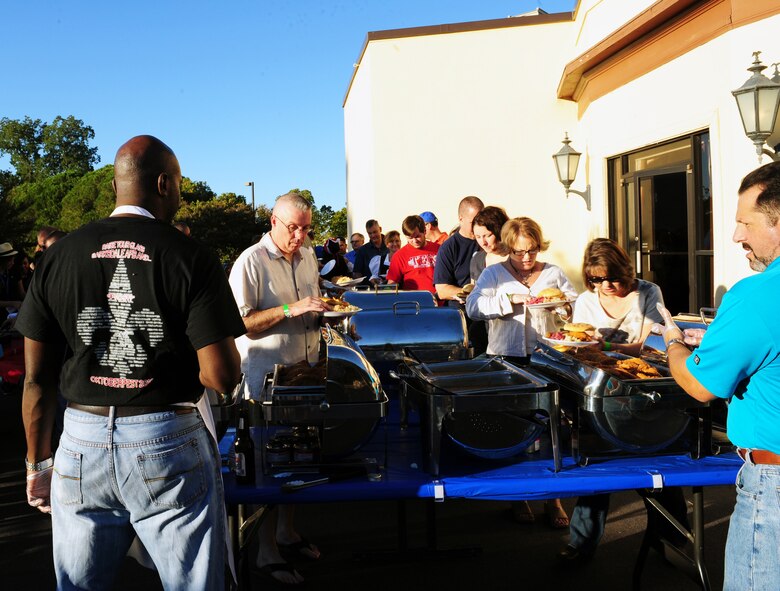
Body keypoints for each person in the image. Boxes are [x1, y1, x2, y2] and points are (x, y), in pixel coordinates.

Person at [16, 135, 244, 590]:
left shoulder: (58, 256)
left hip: (79, 440)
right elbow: (220, 376)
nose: (180, 194)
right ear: (163, 183)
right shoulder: (190, 256)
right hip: (165, 438)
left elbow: (36, 379)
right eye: (179, 184)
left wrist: (37, 465)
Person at [655, 161, 780, 591]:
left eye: (745, 222)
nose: (736, 236)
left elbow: (699, 385)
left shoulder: (757, 294)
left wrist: (673, 342)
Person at [559, 238, 687, 562]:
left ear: (625, 270)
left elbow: (649, 344)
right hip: (602, 388)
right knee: (599, 465)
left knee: (657, 461)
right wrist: (593, 347)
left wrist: (602, 347)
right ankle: (581, 543)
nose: (607, 285)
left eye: (613, 277)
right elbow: (580, 345)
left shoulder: (648, 292)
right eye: (598, 279)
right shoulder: (587, 300)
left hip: (644, 385)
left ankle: (671, 540)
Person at [229, 192, 329, 586]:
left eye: (306, 228)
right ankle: (265, 550)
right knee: (266, 465)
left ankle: (286, 531)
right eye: (293, 228)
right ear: (273, 220)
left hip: (305, 371)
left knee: (300, 457)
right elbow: (240, 323)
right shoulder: (250, 261)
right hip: (265, 379)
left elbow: (314, 302)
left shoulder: (307, 255)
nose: (300, 236)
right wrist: (292, 309)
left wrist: (324, 315)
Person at [466, 217, 575, 528]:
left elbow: (573, 307)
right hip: (506, 358)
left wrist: (562, 309)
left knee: (549, 426)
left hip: (545, 358)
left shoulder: (552, 272)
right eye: (519, 252)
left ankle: (553, 498)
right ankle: (518, 495)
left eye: (532, 251)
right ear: (508, 248)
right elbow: (473, 308)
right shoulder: (494, 274)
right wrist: (508, 299)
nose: (527, 259)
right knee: (513, 428)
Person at [468, 206, 510, 356]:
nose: (483, 242)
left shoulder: (516, 258)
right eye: (478, 237)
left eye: (487, 235)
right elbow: (473, 290)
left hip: (508, 334)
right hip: (482, 330)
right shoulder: (477, 259)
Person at [434, 196, 484, 307]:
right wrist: (470, 293)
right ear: (461, 218)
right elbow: (442, 290)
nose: (478, 226)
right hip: (463, 313)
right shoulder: (449, 248)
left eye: (481, 222)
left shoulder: (489, 242)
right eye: (473, 222)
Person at [386, 216, 439, 298]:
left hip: (440, 304)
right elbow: (392, 283)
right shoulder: (399, 255)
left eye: (417, 236)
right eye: (410, 238)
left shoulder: (439, 249)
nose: (415, 241)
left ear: (424, 231)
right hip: (413, 304)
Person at [353, 219, 388, 285]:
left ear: (380, 229)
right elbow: (357, 273)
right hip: (369, 290)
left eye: (375, 232)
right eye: (370, 233)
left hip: (389, 288)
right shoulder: (362, 250)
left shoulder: (390, 246)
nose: (373, 235)